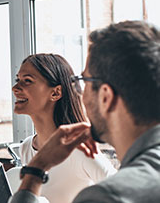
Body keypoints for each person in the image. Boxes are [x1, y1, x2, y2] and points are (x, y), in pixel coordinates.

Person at [10, 20, 160, 203]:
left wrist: (35, 172)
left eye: (85, 81)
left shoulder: (106, 196)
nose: (79, 91)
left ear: (106, 96)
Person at [12, 53, 116, 203]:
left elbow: (122, 192)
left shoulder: (79, 150)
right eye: (18, 80)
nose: (15, 88)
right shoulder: (27, 147)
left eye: (27, 81)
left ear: (55, 92)